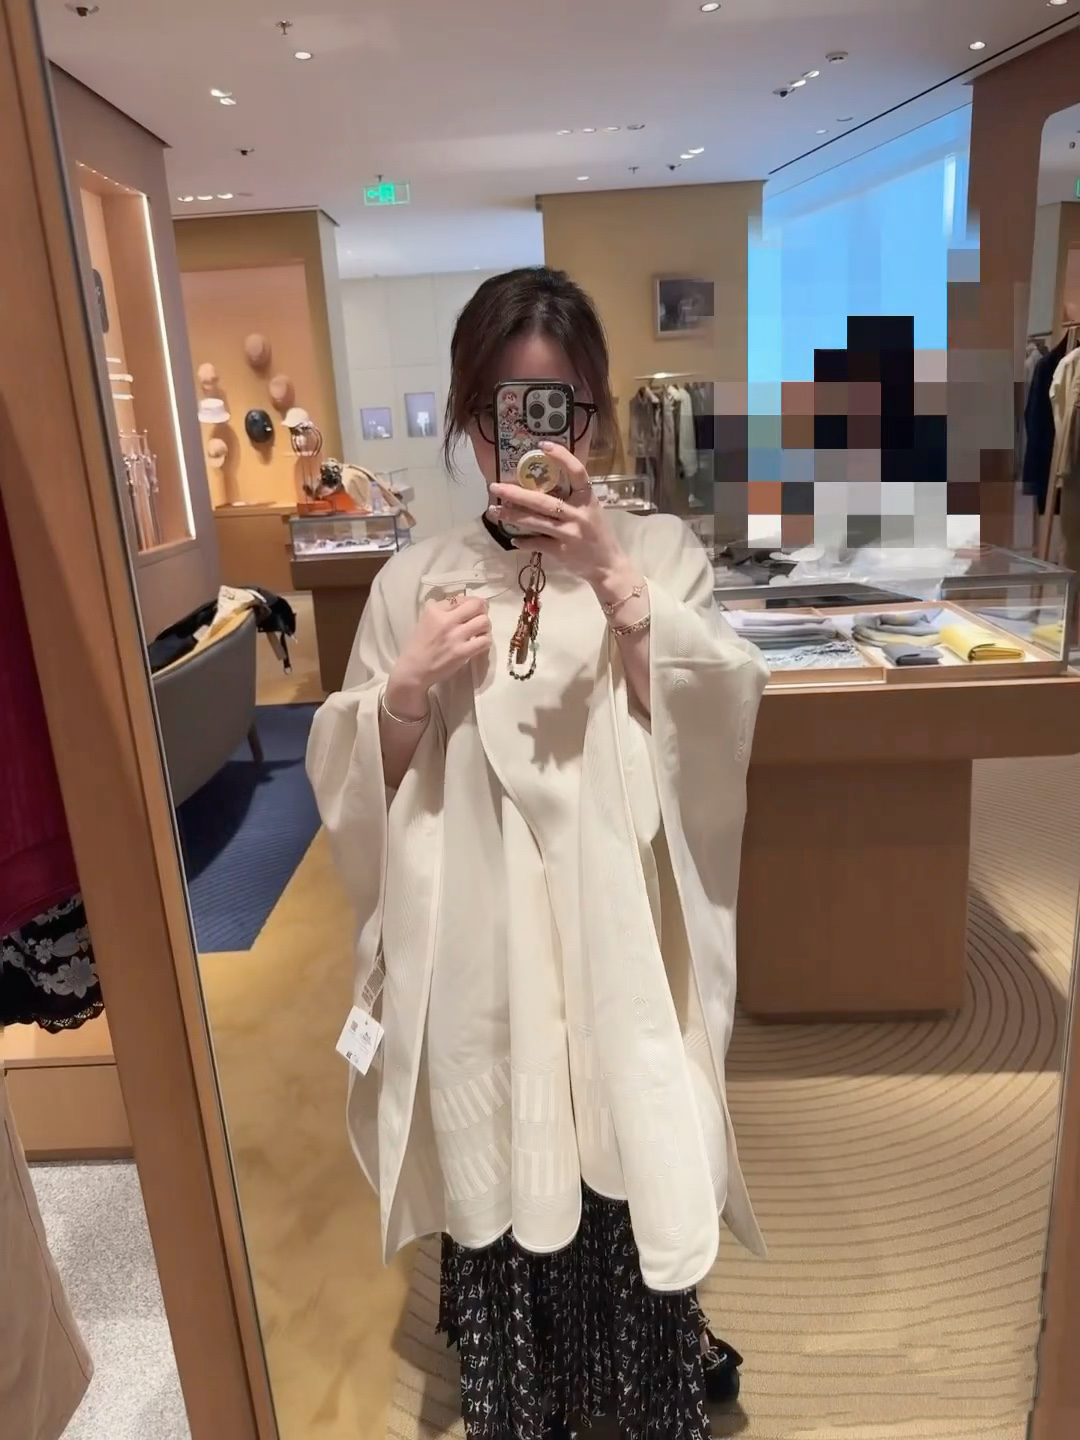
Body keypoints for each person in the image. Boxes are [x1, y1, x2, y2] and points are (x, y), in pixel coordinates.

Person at [307, 267, 769, 1440]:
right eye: (503, 410)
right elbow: (359, 788)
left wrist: (620, 589)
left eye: (558, 407)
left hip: (615, 923)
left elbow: (714, 732)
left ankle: (654, 1383)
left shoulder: (657, 552)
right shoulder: (414, 580)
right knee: (505, 1165)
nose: (530, 437)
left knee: (626, 1153)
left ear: (595, 414)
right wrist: (404, 692)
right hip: (482, 937)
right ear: (471, 420)